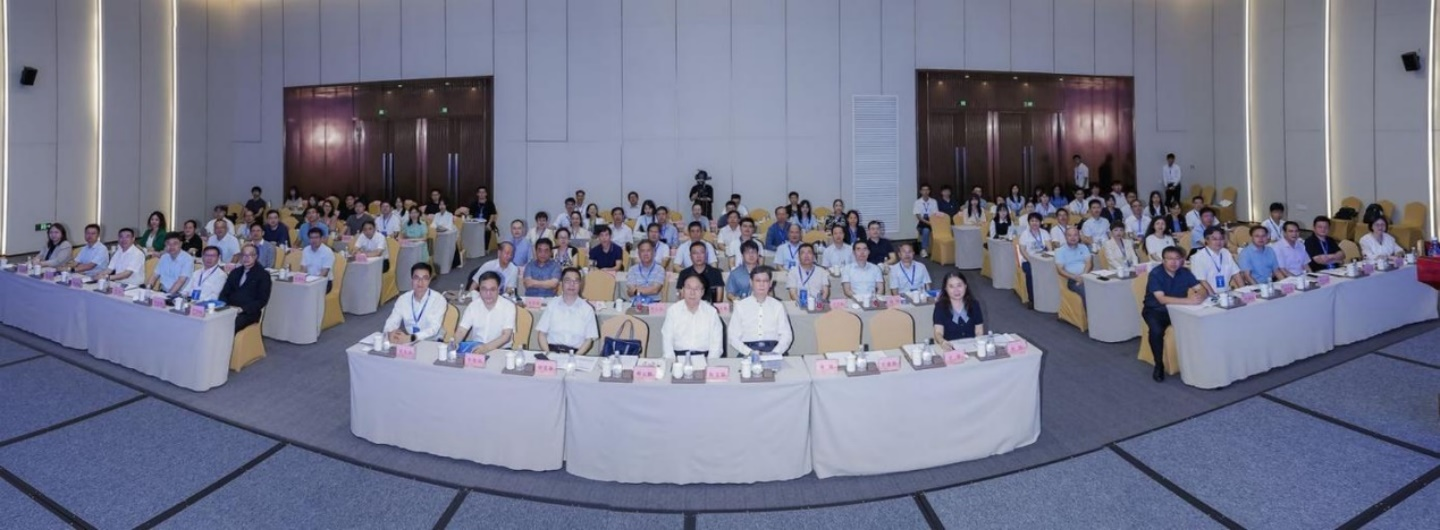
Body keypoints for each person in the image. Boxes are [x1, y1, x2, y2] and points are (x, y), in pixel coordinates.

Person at [1142, 246, 1204, 381]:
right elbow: (1161, 299)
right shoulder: (1156, 274)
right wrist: (1189, 301)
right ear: (1163, 260)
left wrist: (1200, 296)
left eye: (1177, 259)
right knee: (1156, 331)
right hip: (1156, 310)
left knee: (1200, 323)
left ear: (1182, 260)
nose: (1174, 262)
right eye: (1170, 259)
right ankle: (1159, 364)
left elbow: (1200, 288)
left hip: (1179, 309)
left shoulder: (1185, 272)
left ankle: (1197, 361)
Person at [659, 274, 726, 359]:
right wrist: (673, 363)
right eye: (688, 288)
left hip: (705, 358)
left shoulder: (711, 312)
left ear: (702, 292)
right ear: (682, 290)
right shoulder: (673, 311)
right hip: (678, 357)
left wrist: (709, 363)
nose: (692, 293)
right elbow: (667, 342)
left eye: (696, 289)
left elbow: (716, 346)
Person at [535, 267, 599, 354]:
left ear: (580, 284)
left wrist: (575, 357)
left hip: (575, 354)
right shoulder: (552, 304)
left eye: (576, 281)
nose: (572, 284)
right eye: (568, 281)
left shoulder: (587, 309)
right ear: (561, 283)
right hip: (551, 351)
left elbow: (589, 340)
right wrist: (548, 355)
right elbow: (541, 334)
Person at [382, 263, 449, 344]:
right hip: (408, 339)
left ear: (429, 280)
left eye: (425, 278)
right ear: (411, 279)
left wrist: (410, 338)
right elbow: (392, 321)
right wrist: (390, 333)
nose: (420, 282)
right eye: (416, 278)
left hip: (432, 340)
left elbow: (433, 329)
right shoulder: (403, 299)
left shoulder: (439, 300)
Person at [455, 270, 517, 352]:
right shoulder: (473, 306)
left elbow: (506, 336)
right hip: (477, 348)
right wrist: (454, 344)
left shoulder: (508, 307)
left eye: (492, 289)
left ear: (499, 289)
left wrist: (486, 348)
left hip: (501, 350)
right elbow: (461, 330)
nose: (488, 293)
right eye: (484, 289)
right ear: (479, 289)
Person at [220, 244, 272, 333]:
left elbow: (262, 300)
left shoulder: (263, 275)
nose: (246, 258)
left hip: (248, 312)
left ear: (256, 256)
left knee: (230, 325)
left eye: (250, 255)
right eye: (243, 255)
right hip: (230, 309)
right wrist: (225, 306)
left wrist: (242, 309)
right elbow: (224, 293)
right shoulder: (235, 272)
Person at [933, 271, 985, 343]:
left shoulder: (974, 305)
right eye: (951, 286)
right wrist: (942, 342)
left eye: (959, 285)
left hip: (972, 345)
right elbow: (938, 332)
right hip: (949, 347)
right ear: (945, 289)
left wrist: (978, 342)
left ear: (965, 286)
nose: (956, 290)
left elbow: (979, 330)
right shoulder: (940, 307)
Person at [1190, 226, 1243, 292]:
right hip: (1208, 295)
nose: (1218, 242)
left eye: (1221, 239)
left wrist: (1244, 291)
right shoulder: (1198, 257)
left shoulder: (1226, 252)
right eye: (1214, 239)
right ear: (1206, 240)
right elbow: (1201, 281)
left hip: (1226, 293)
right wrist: (1214, 296)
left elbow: (1236, 274)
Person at [1016, 213, 1051, 303]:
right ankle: (1032, 299)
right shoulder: (1024, 234)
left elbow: (1050, 248)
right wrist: (1031, 261)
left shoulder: (1044, 233)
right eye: (1032, 221)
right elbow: (1022, 251)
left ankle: (1047, 295)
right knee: (1030, 273)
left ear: (1041, 222)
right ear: (1029, 222)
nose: (1034, 223)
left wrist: (1048, 257)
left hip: (1043, 260)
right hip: (1028, 260)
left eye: (1037, 221)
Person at [1055, 227, 1092, 302]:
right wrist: (1076, 278)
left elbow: (1089, 263)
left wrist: (1083, 276)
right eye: (1069, 235)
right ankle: (1091, 310)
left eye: (1075, 235)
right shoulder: (1060, 251)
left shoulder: (1083, 247)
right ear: (1065, 237)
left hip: (1086, 276)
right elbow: (1060, 270)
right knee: (1087, 292)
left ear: (1079, 237)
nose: (1073, 238)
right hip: (1072, 279)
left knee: (1100, 288)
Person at [914, 184, 940, 258]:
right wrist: (929, 223)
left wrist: (932, 223)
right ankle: (923, 250)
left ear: (929, 191)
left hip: (932, 221)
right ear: (920, 191)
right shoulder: (917, 202)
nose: (925, 191)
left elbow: (936, 214)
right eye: (923, 190)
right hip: (922, 222)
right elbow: (919, 217)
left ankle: (937, 250)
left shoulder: (933, 201)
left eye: (927, 190)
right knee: (926, 230)